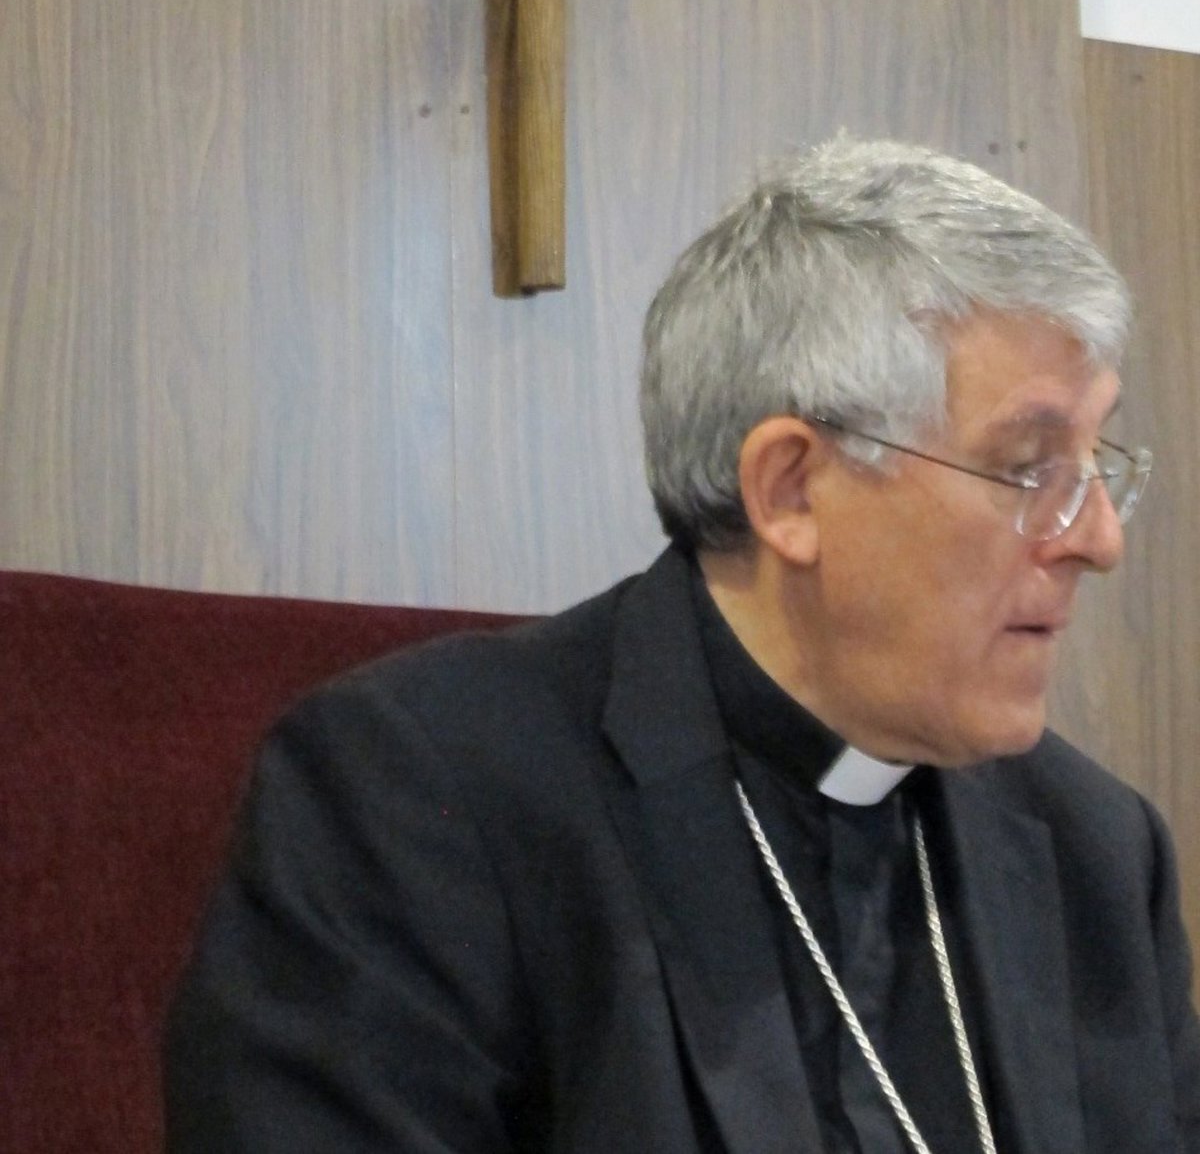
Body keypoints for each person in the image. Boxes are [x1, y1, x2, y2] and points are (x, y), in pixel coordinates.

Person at [165, 137, 1200, 1153]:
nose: (1099, 540)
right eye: (1028, 470)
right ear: (791, 490)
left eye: (1095, 465)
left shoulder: (1096, 849)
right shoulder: (421, 801)